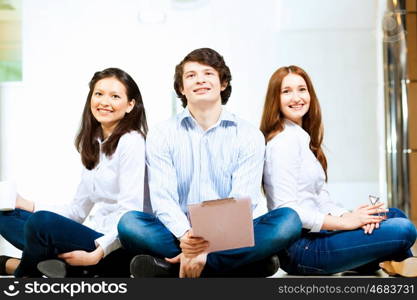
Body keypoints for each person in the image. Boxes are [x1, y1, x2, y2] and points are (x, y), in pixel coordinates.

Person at [117, 48, 302, 278]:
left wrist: (203, 248)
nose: (200, 80)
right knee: (129, 224)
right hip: (178, 235)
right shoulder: (161, 134)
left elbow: (243, 199)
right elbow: (163, 199)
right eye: (191, 75)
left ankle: (179, 268)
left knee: (289, 220)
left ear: (223, 83)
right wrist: (187, 237)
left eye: (208, 73)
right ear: (181, 88)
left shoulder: (248, 134)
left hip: (231, 235)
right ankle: (241, 266)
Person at [260, 65, 417, 276]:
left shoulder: (302, 138)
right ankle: (394, 261)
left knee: (393, 215)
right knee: (404, 229)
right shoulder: (282, 143)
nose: (296, 97)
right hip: (302, 250)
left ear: (310, 94)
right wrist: (345, 223)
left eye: (301, 89)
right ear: (275, 99)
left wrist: (351, 216)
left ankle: (387, 262)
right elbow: (288, 212)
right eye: (286, 91)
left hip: (320, 234)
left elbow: (320, 198)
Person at [0, 67, 149, 277]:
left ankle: (23, 271)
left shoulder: (132, 141)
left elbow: (130, 216)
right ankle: (63, 267)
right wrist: (27, 204)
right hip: (90, 235)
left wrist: (97, 254)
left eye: (115, 96)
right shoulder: (96, 142)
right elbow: (77, 211)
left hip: (113, 246)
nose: (104, 102)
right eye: (99, 94)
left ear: (130, 105)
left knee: (40, 224)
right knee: (6, 217)